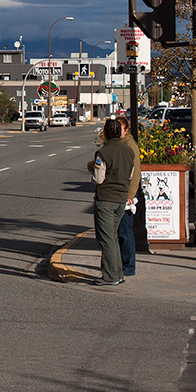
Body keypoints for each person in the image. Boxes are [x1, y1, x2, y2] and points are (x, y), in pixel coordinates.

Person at [87, 118, 134, 286]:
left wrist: (92, 169)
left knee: (106, 240)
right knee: (113, 238)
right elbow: (130, 175)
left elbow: (99, 179)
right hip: (121, 200)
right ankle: (118, 273)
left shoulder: (103, 153)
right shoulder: (129, 152)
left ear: (105, 133)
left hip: (106, 199)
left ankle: (110, 276)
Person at [116, 116, 142, 276]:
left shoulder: (130, 145)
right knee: (119, 231)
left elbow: (136, 172)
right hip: (119, 191)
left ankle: (128, 267)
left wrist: (131, 194)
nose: (118, 131)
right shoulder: (119, 144)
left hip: (127, 193)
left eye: (120, 128)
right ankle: (121, 263)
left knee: (125, 232)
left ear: (126, 130)